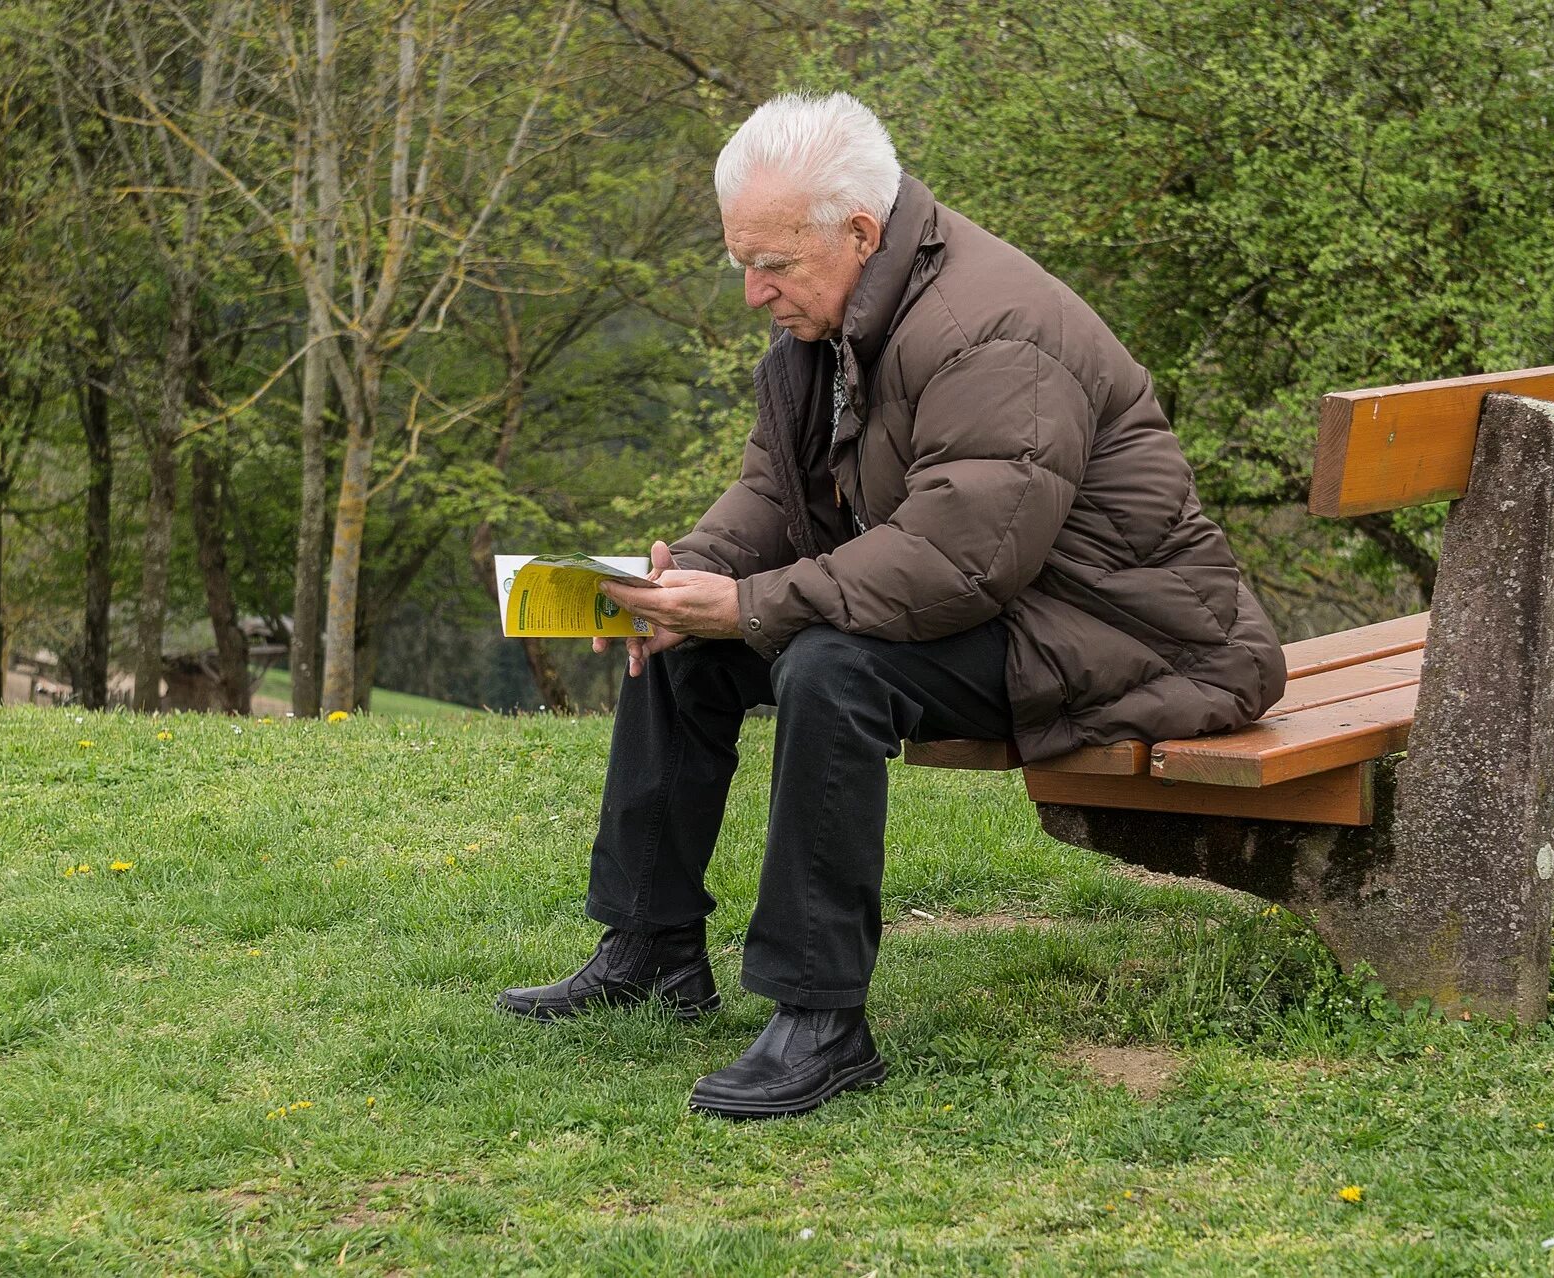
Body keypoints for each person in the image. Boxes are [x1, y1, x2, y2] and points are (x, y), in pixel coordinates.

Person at [497, 93, 1286, 1119]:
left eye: (772, 263)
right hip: (1012, 610)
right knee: (686, 641)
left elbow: (962, 562)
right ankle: (650, 946)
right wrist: (688, 574)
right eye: (742, 261)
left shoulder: (990, 330)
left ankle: (821, 1020)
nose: (752, 292)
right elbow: (777, 496)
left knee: (829, 666)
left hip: (1132, 639)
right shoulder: (832, 325)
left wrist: (749, 604)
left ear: (861, 233)